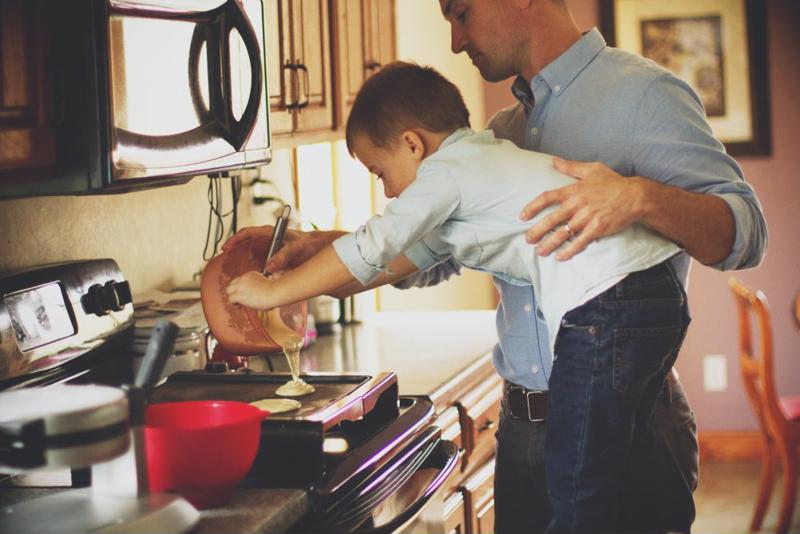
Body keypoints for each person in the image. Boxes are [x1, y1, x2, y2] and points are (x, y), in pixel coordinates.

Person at [224, 1, 767, 531]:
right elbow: (430, 252)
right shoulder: (498, 134)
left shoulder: (643, 95)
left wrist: (638, 197)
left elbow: (746, 232)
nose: (456, 41)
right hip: (524, 429)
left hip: (628, 422)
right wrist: (318, 247)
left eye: (461, 14)